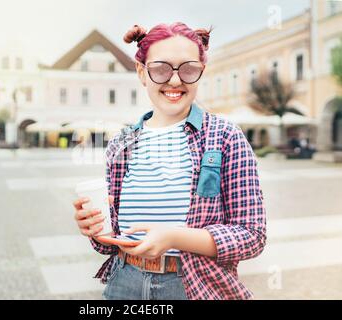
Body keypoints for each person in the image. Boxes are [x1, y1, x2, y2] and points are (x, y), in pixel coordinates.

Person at [73, 22, 267, 300]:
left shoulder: (226, 137)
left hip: (194, 285)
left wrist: (174, 237)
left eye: (188, 69)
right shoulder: (121, 144)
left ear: (201, 72)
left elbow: (252, 235)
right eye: (161, 69)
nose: (175, 80)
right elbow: (109, 243)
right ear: (142, 73)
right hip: (124, 282)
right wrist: (94, 229)